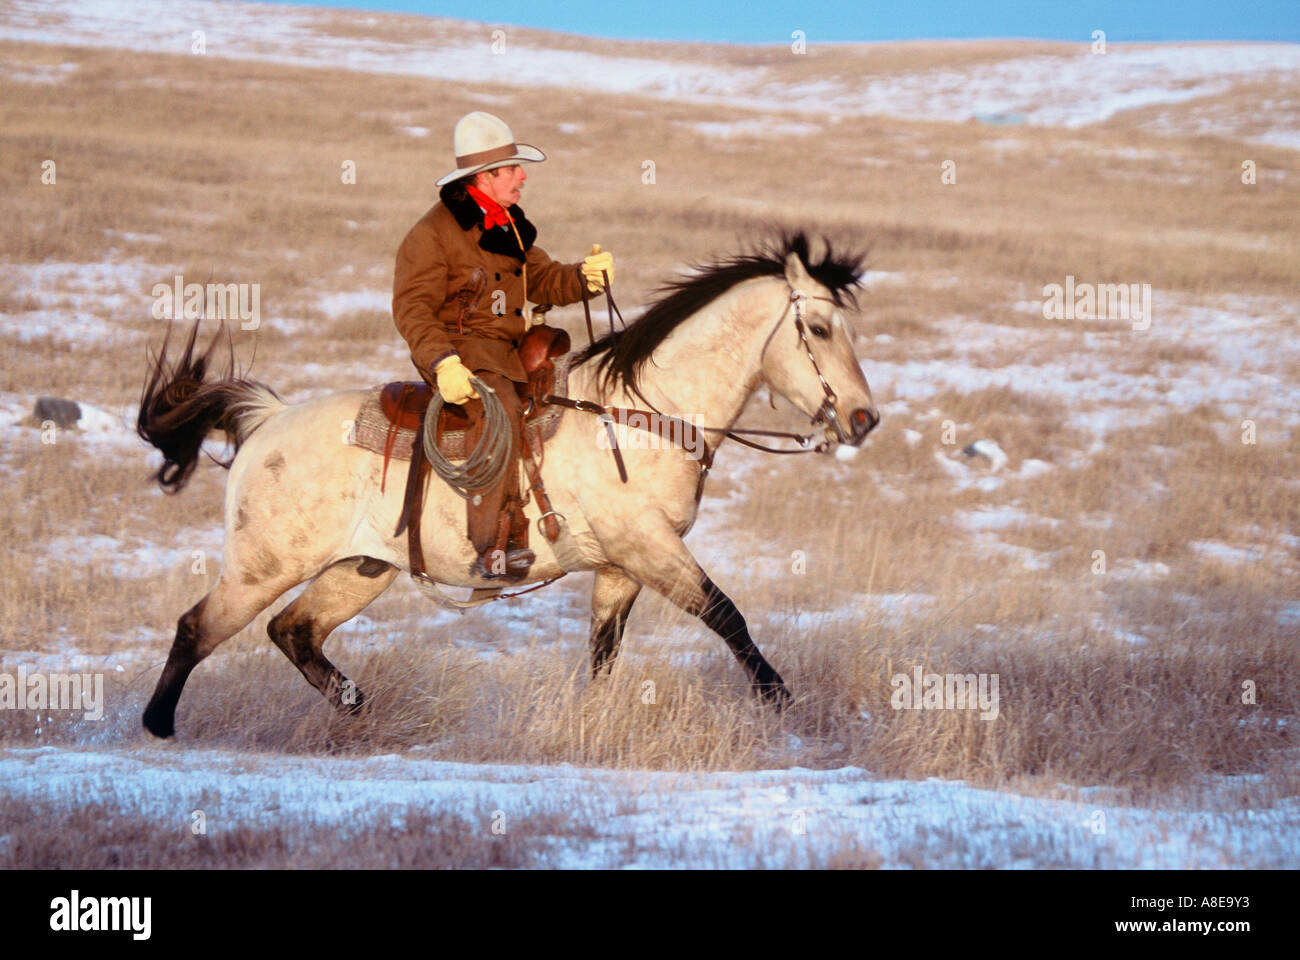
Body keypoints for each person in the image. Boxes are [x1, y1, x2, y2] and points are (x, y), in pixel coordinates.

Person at [393, 111, 614, 581]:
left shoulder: (508, 224)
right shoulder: (431, 235)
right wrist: (442, 363)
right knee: (497, 408)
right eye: (512, 169)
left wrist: (582, 278)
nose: (522, 176)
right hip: (462, 356)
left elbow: (545, 279)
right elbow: (413, 309)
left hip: (511, 355)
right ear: (484, 177)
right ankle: (496, 543)